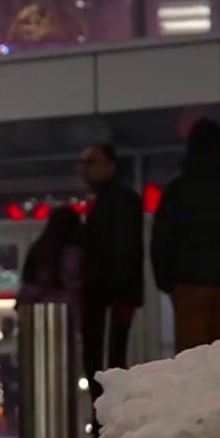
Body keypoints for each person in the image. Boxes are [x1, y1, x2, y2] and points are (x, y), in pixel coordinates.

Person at [150, 119, 220, 352]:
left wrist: (167, 280)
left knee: (193, 361)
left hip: (189, 283)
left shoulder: (178, 189)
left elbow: (162, 238)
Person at [76, 142, 144, 378]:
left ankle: (104, 412)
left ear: (110, 165)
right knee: (107, 357)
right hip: (112, 293)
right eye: (83, 163)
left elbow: (122, 249)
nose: (85, 169)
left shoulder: (118, 201)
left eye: (91, 162)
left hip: (109, 294)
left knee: (104, 358)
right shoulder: (114, 199)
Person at [18, 207, 87, 314]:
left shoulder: (38, 251)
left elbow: (29, 283)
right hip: (72, 312)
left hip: (40, 311)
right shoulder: (77, 253)